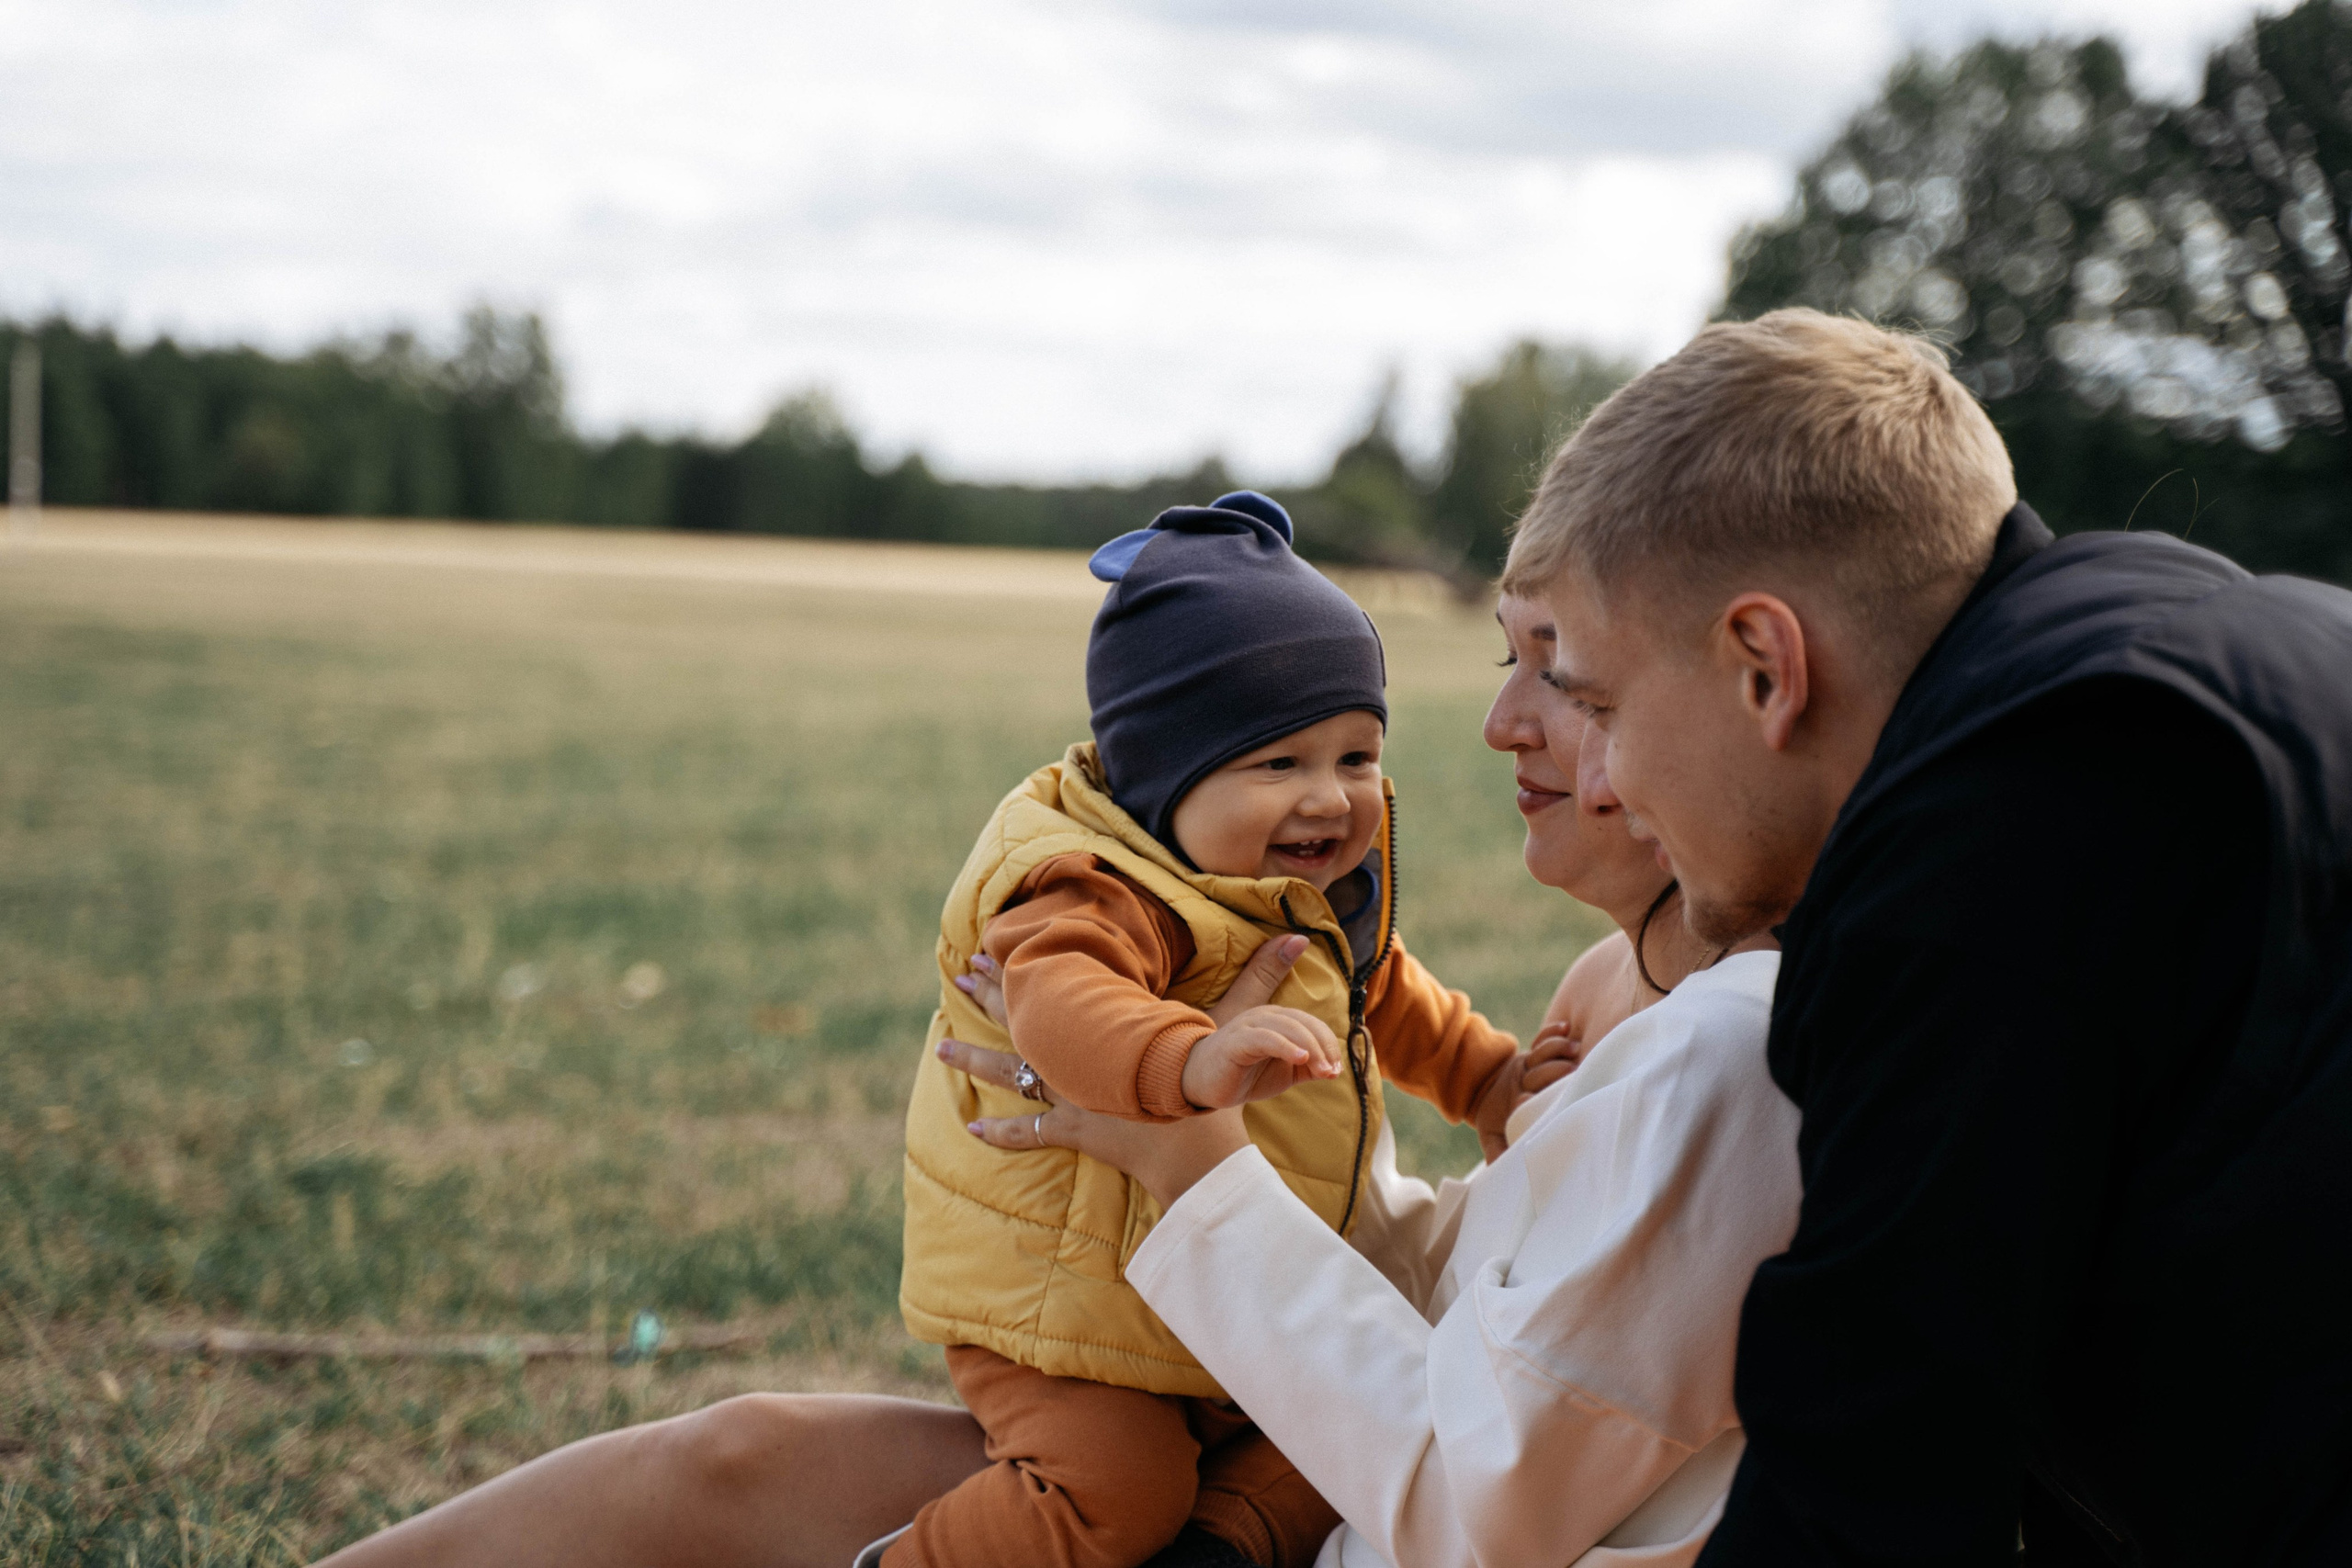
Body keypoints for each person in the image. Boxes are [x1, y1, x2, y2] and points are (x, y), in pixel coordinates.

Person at [309, 589, 1792, 1568]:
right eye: (1504, 658)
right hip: (1228, 1383)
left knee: (1073, 1497)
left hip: (1312, 1478)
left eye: (1564, 668)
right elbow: (1466, 1265)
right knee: (739, 1446)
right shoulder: (1613, 988)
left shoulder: (1725, 1052)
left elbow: (1480, 1458)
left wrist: (1194, 1157)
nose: (1501, 723)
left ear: (1751, 684)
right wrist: (1196, 1087)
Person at [1498, 308, 2352, 1562]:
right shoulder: (2186, 640)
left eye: (1608, 704)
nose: (1609, 778)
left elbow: (1869, 1482)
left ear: (1763, 664)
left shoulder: (1991, 843)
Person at [890, 488, 1549, 1568]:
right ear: (1163, 774)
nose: (1330, 800)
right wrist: (1184, 1060)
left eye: (1356, 757)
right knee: (1115, 1490)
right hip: (1072, 1312)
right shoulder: (1089, 883)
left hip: (1197, 1294)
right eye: (1278, 764)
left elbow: (1382, 992)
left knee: (1339, 1438)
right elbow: (1060, 1004)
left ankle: (1222, 1550)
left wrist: (1488, 1083)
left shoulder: (1306, 895)